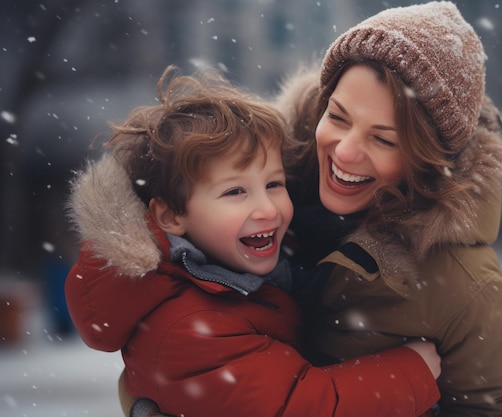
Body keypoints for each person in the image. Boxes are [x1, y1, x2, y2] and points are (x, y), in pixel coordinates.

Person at [64, 65, 441, 417]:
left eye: (274, 184)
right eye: (235, 192)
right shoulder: (190, 326)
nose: (268, 209)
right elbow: (299, 405)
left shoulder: (232, 273)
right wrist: (411, 371)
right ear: (171, 216)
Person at [275, 2, 502, 416]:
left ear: (427, 159)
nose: (344, 151)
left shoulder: (463, 287)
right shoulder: (248, 196)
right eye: (339, 117)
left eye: (383, 140)